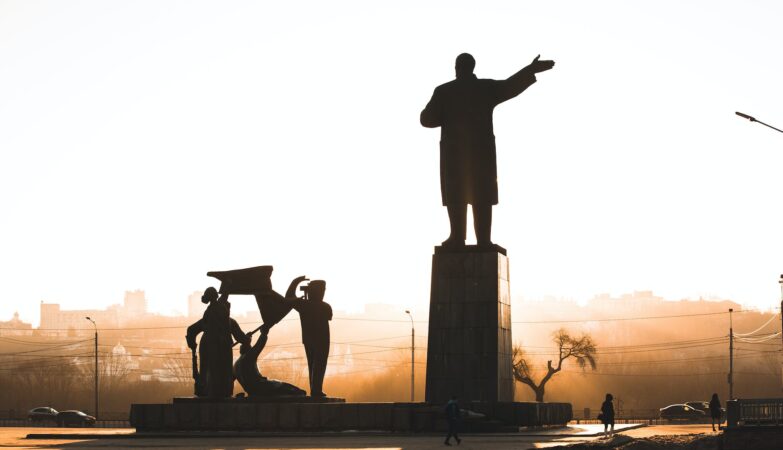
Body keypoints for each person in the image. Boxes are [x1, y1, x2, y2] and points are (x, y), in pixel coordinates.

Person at [420, 52, 555, 248]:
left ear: (456, 68)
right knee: (480, 194)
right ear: (472, 67)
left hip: (455, 154)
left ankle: (457, 237)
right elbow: (510, 86)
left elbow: (426, 119)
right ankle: (483, 239)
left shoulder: (444, 91)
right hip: (480, 153)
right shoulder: (484, 88)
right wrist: (530, 69)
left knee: (457, 195)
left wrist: (446, 114)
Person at [186, 286, 250, 397]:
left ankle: (208, 390)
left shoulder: (207, 320)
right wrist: (247, 340)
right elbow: (241, 337)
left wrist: (192, 344)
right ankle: (220, 391)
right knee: (221, 370)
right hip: (219, 347)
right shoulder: (227, 322)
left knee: (211, 370)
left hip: (210, 346)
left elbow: (191, 330)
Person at [285, 279, 333, 398]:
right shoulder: (325, 306)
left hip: (308, 339)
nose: (323, 293)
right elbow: (329, 315)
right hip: (322, 339)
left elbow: (288, 297)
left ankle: (315, 389)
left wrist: (295, 282)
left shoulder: (304, 305)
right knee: (319, 365)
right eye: (322, 290)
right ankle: (316, 390)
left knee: (312, 364)